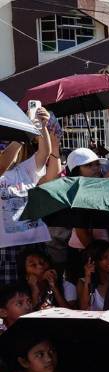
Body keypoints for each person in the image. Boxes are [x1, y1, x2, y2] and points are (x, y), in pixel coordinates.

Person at [0, 107, 54, 285]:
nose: (5, 151)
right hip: (7, 248)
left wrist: (42, 127)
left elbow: (44, 153)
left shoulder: (24, 170)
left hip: (35, 243)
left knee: (39, 291)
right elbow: (3, 163)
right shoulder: (2, 171)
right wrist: (22, 132)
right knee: (12, 295)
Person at [77, 239, 109, 311]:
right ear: (94, 261)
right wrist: (88, 277)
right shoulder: (83, 282)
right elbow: (83, 308)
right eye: (105, 257)